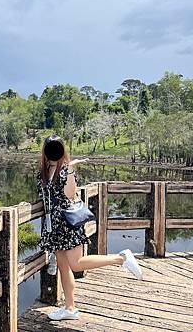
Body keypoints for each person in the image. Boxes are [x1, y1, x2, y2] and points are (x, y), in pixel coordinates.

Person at [37, 135, 143, 321]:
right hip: (53, 226)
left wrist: (70, 170)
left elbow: (70, 194)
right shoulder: (44, 171)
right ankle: (70, 308)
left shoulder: (65, 169)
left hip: (67, 224)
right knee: (63, 266)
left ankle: (121, 258)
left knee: (76, 263)